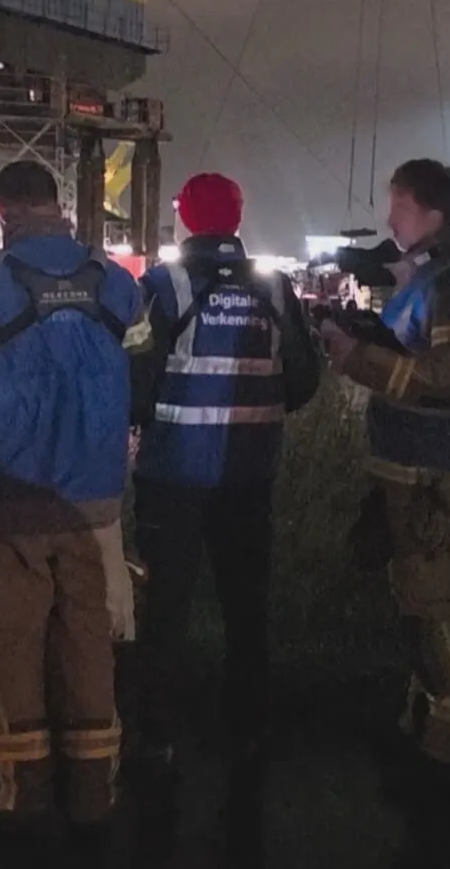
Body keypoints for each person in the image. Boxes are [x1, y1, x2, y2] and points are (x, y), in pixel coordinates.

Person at [0, 160, 151, 833]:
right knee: (89, 644)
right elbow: (142, 385)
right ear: (60, 207)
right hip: (96, 506)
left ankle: (16, 801)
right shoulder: (117, 283)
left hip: (9, 502)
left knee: (11, 647)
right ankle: (92, 796)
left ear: (0, 211)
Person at [318, 159, 450, 804]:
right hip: (416, 471)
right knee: (422, 604)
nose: (387, 219)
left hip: (439, 477)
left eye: (395, 206)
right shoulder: (429, 277)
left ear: (425, 211)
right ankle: (428, 735)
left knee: (441, 608)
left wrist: (356, 357)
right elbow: (419, 356)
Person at [127, 172, 323, 767]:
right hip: (250, 473)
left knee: (164, 607)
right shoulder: (274, 286)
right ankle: (247, 729)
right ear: (237, 220)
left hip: (173, 474)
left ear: (184, 218)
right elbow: (304, 377)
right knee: (246, 604)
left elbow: (137, 378)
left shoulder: (163, 284)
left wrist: (147, 420)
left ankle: (157, 733)